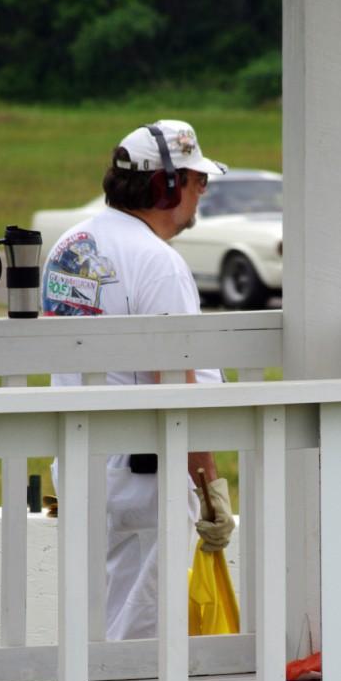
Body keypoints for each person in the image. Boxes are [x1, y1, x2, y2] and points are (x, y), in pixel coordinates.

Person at [41, 119, 235, 640]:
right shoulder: (158, 263)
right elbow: (175, 383)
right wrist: (208, 482)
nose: (202, 192)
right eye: (196, 180)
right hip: (146, 478)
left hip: (84, 464)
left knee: (96, 624)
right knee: (145, 635)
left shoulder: (71, 243)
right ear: (165, 185)